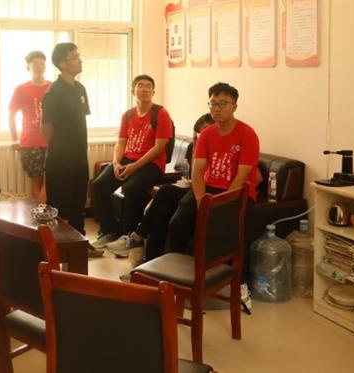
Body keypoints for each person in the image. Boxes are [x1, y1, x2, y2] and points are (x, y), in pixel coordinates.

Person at [165, 82, 260, 308]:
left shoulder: (247, 134)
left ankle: (241, 285)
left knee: (236, 232)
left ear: (234, 106)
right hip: (207, 189)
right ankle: (172, 281)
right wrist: (200, 200)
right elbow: (198, 171)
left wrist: (218, 206)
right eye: (213, 103)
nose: (217, 108)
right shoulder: (207, 134)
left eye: (223, 103)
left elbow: (242, 176)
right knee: (178, 223)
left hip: (237, 192)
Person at [90, 74, 173, 257]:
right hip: (128, 159)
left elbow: (159, 147)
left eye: (148, 86)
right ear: (133, 91)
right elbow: (121, 142)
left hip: (151, 163)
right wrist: (116, 163)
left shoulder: (161, 114)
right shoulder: (127, 115)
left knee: (131, 187)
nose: (144, 89)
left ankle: (128, 236)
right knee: (99, 185)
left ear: (153, 91)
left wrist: (134, 167)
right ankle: (110, 230)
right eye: (140, 85)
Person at [125, 113, 214, 263]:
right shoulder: (197, 146)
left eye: (206, 129)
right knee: (162, 209)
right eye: (200, 132)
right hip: (194, 189)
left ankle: (139, 236)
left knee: (165, 195)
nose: (203, 134)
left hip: (205, 193)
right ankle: (151, 264)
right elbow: (194, 175)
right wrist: (196, 145)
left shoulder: (221, 148)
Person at [41, 42, 90, 237]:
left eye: (79, 56)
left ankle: (80, 244)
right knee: (59, 207)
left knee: (79, 204)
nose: (80, 60)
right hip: (60, 160)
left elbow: (80, 121)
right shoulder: (54, 92)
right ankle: (58, 246)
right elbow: (46, 128)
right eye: (75, 57)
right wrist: (61, 148)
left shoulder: (80, 88)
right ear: (62, 64)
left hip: (80, 157)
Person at [9, 50, 51, 203]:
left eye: (42, 63)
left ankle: (46, 212)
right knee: (36, 181)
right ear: (28, 67)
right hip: (30, 142)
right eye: (35, 63)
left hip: (51, 141)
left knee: (51, 180)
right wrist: (14, 139)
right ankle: (40, 214)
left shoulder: (53, 87)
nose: (39, 66)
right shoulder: (21, 89)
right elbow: (11, 115)